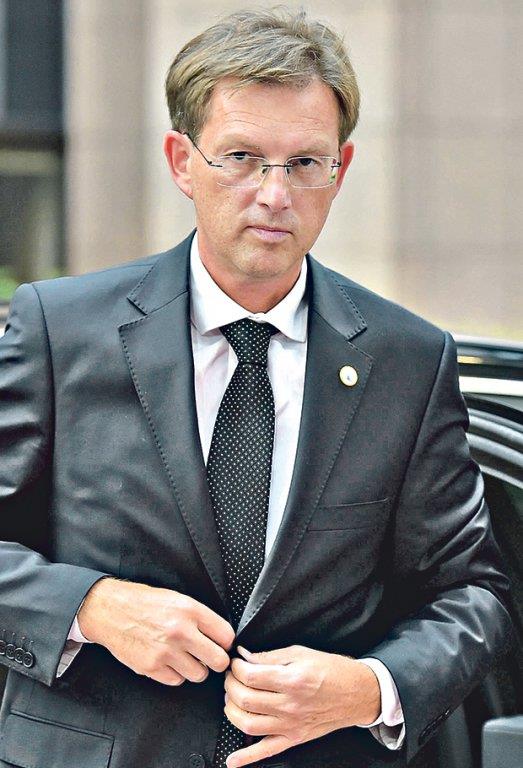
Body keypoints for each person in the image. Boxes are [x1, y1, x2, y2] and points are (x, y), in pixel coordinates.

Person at [0, 9, 512, 768]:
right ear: (182, 161)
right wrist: (92, 608)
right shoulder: (60, 329)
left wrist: (370, 688)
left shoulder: (407, 359)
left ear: (340, 169)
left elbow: (473, 593)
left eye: (304, 163)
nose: (275, 194)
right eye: (241, 157)